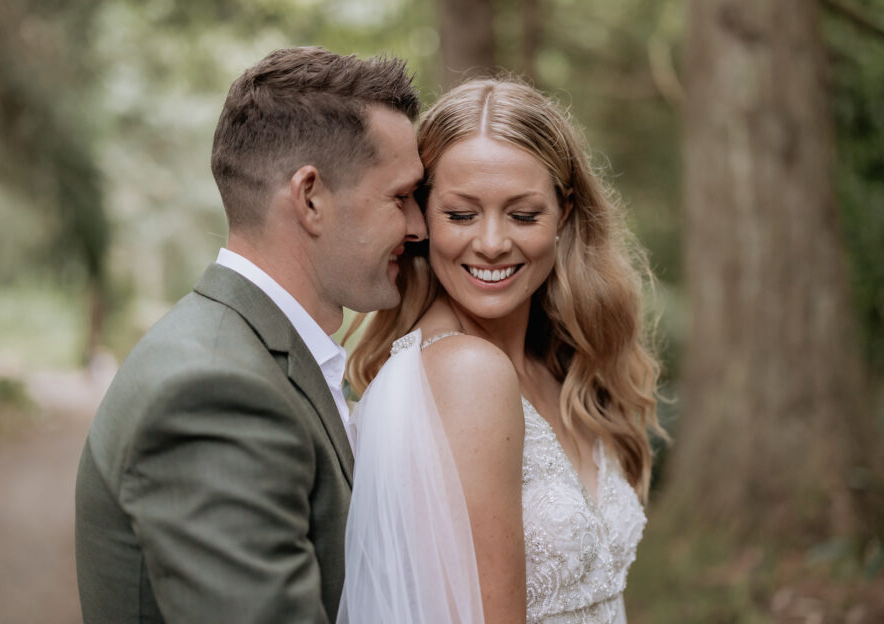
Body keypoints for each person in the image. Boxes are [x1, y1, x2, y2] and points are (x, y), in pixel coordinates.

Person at [74, 46, 426, 623]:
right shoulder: (212, 391)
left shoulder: (254, 355)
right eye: (401, 197)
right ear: (310, 197)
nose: (417, 228)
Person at [338, 78, 666, 624]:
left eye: (522, 215)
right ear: (421, 219)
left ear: (563, 214)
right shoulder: (466, 372)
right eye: (461, 214)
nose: (491, 243)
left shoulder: (557, 366)